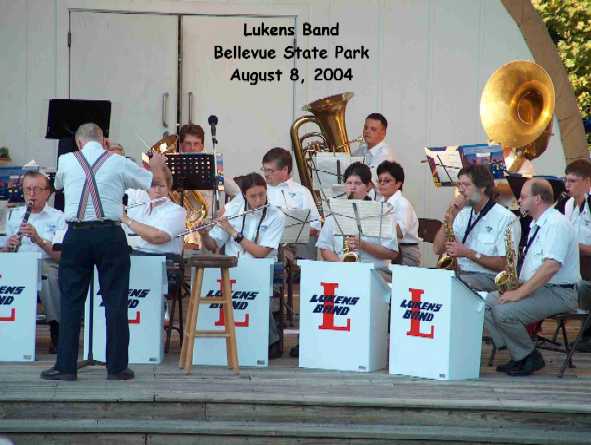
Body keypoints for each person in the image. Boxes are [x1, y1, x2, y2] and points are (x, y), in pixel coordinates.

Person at [41, 123, 167, 381]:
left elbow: (60, 184)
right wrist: (155, 166)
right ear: (104, 141)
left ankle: (65, 367)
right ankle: (117, 367)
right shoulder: (118, 161)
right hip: (110, 234)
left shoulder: (66, 160)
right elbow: (150, 182)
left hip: (76, 234)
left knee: (71, 300)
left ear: (78, 143)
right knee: (116, 301)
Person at [484, 179, 580, 376]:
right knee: (485, 302)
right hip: (540, 288)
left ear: (538, 199)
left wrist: (518, 293)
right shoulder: (538, 223)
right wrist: (516, 285)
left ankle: (528, 356)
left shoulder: (555, 224)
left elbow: (551, 267)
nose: (518, 200)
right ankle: (519, 353)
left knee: (503, 312)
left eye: (523, 196)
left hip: (559, 293)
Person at [199, 172, 286, 358]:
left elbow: (261, 253)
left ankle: (270, 340)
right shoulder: (232, 211)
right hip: (232, 267)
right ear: (244, 195)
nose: (258, 200)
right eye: (253, 196)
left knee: (254, 286)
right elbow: (214, 245)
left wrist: (233, 232)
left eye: (262, 194)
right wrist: (204, 234)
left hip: (262, 267)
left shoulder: (276, 215)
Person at [2, 171, 66, 353]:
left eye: (37, 189)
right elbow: (8, 252)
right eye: (27, 189)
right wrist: (8, 247)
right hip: (19, 265)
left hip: (47, 263)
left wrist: (38, 239)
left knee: (48, 275)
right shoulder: (14, 215)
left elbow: (60, 256)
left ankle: (57, 330)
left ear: (48, 192)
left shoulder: (59, 217)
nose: (32, 194)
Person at [433, 164, 520, 291]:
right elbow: (437, 249)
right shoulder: (462, 213)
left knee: (449, 287)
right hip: (461, 273)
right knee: (428, 280)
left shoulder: (506, 218)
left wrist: (468, 253)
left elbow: (506, 264)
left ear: (483, 187)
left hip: (489, 278)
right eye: (459, 185)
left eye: (466, 185)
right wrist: (449, 218)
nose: (461, 190)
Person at [317, 162, 398, 268]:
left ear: (368, 186)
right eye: (349, 183)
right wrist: (341, 266)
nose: (352, 187)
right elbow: (324, 247)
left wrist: (363, 245)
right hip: (341, 272)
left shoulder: (382, 212)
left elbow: (392, 253)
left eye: (357, 183)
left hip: (375, 273)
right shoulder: (336, 211)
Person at [122, 166, 186, 257]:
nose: (157, 190)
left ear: (168, 187)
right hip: (133, 256)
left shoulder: (177, 211)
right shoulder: (138, 204)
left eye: (162, 186)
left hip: (163, 261)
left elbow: (158, 237)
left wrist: (126, 219)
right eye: (153, 185)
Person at [563, 159, 591, 352]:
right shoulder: (568, 205)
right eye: (566, 181)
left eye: (572, 181)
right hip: (576, 266)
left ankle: (587, 337)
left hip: (587, 268)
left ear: (587, 182)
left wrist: (576, 247)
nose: (567, 186)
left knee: (582, 286)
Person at [376, 161, 420, 266]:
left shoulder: (402, 203)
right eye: (380, 180)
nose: (382, 184)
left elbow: (400, 233)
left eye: (387, 181)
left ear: (398, 184)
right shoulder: (379, 202)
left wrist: (382, 217)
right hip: (385, 249)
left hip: (405, 252)